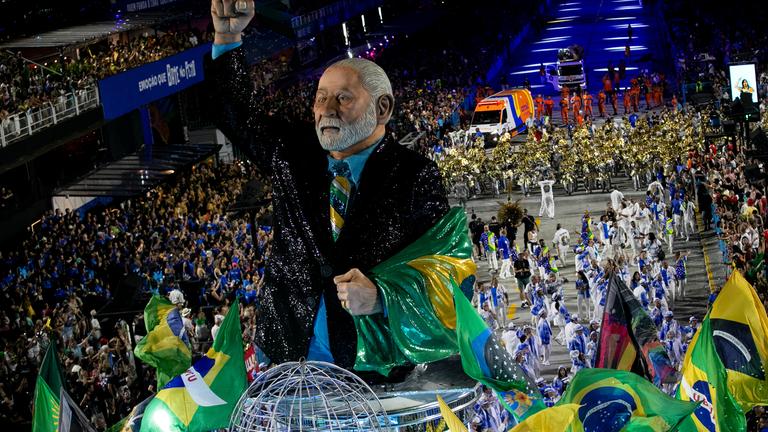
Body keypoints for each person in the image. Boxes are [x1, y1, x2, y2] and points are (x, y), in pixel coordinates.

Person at [210, 0, 453, 371]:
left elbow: (445, 268)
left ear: (382, 108)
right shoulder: (291, 155)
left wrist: (383, 297)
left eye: (343, 98)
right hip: (288, 355)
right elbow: (235, 113)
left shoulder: (415, 176)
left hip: (371, 367)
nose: (327, 109)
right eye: (320, 98)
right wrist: (228, 36)